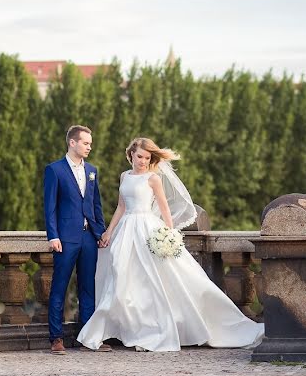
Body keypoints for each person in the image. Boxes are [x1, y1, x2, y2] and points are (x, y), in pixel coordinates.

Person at [77, 137, 264, 352]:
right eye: (139, 157)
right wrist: (109, 231)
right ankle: (130, 330)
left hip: (147, 229)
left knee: (154, 281)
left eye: (147, 158)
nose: (143, 161)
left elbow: (165, 208)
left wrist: (169, 234)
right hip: (126, 230)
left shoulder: (153, 178)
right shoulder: (124, 177)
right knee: (121, 275)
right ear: (130, 155)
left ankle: (154, 331)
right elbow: (121, 206)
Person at [43, 125, 111, 354]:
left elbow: (96, 205)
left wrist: (100, 233)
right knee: (59, 287)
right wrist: (53, 235)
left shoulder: (92, 170)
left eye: (90, 144)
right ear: (72, 143)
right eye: (86, 143)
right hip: (65, 238)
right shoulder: (55, 170)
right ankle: (56, 338)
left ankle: (88, 338)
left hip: (88, 238)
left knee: (88, 288)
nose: (89, 147)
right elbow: (49, 207)